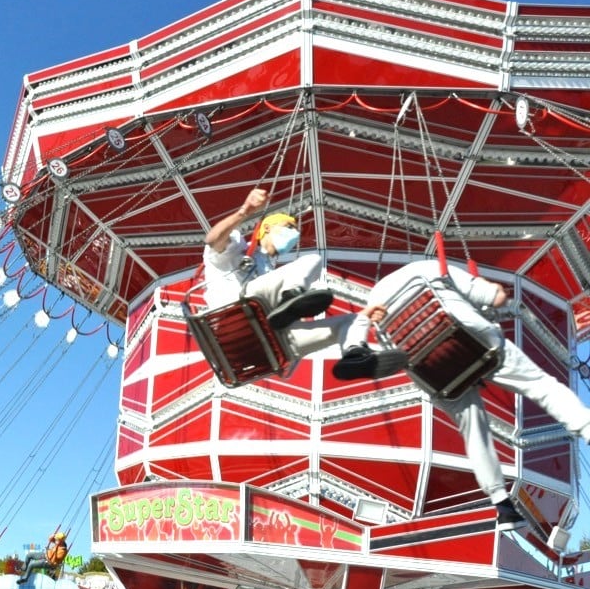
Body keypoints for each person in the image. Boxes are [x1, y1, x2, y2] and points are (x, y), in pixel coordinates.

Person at [335, 260, 590, 532]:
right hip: (470, 338)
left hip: (430, 368)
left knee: (473, 429)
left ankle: (502, 505)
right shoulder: (430, 267)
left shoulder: (375, 296)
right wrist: (497, 295)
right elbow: (492, 297)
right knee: (542, 386)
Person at [202, 188, 403, 379]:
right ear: (267, 228)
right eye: (289, 227)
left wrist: (364, 315)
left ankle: (355, 354)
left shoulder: (271, 270)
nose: (294, 234)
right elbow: (213, 240)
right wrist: (245, 210)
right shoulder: (237, 251)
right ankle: (292, 296)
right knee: (312, 260)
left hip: (268, 341)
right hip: (235, 313)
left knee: (353, 320)